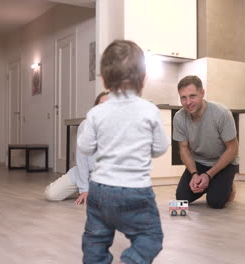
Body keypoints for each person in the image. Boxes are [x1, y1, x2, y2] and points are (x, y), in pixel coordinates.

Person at [78, 40, 169, 264]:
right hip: (135, 192)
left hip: (99, 190)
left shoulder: (97, 113)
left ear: (103, 79)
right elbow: (160, 148)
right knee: (151, 235)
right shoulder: (149, 110)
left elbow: (85, 147)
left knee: (95, 240)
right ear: (145, 79)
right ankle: (131, 260)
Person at [173, 75, 238, 209]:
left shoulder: (221, 113)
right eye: (183, 98)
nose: (188, 102)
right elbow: (184, 149)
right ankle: (213, 184)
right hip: (200, 162)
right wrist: (194, 174)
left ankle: (228, 185)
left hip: (224, 163)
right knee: (182, 198)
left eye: (192, 96)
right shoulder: (179, 117)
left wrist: (209, 175)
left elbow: (232, 149)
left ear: (202, 93)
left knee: (215, 202)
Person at [44, 91, 109, 204]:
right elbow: (82, 159)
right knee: (51, 194)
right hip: (83, 173)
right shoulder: (86, 125)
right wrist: (84, 188)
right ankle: (81, 188)